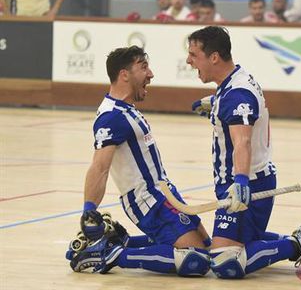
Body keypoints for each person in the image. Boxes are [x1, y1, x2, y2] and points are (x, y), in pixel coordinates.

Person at [187, 26, 301, 278]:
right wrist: (214, 104)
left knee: (224, 262)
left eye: (193, 55)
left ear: (214, 57)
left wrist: (241, 181)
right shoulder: (234, 83)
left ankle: (297, 243)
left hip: (248, 183)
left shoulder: (237, 95)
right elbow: (240, 108)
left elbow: (242, 141)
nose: (189, 61)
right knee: (239, 239)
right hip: (245, 180)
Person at [67, 46, 213, 276]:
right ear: (124, 74)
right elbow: (99, 167)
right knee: (197, 260)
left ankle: (120, 243)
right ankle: (112, 256)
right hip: (147, 200)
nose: (151, 74)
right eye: (143, 67)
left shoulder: (127, 109)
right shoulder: (111, 117)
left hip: (163, 193)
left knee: (208, 247)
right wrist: (89, 209)